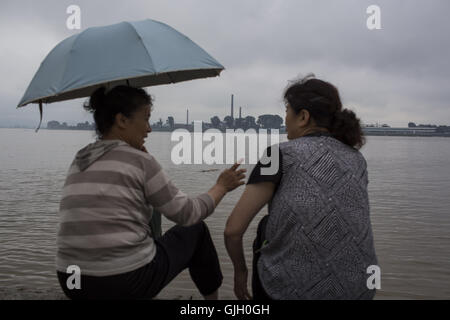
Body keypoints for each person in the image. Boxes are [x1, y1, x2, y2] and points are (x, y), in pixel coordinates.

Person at [56, 85, 246, 300]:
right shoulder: (139, 161)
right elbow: (187, 213)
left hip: (71, 280)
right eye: (146, 119)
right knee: (196, 230)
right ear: (122, 120)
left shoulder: (80, 158)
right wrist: (221, 186)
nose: (149, 129)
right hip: (120, 280)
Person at [224, 75, 378, 300]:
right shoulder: (356, 159)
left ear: (303, 117)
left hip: (294, 294)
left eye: (287, 111)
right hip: (362, 288)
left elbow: (233, 230)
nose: (285, 118)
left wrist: (240, 272)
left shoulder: (277, 155)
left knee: (264, 229)